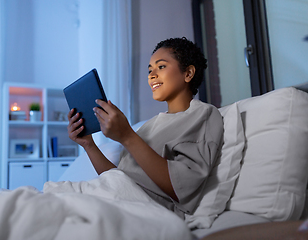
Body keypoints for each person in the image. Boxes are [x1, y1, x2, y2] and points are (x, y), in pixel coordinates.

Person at [67, 37, 223, 219]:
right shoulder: (148, 127)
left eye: (161, 66)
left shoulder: (202, 114)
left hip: (140, 213)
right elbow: (117, 180)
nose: (151, 75)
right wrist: (89, 145)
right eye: (150, 70)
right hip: (114, 199)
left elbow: (183, 188)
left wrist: (127, 136)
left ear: (188, 73)